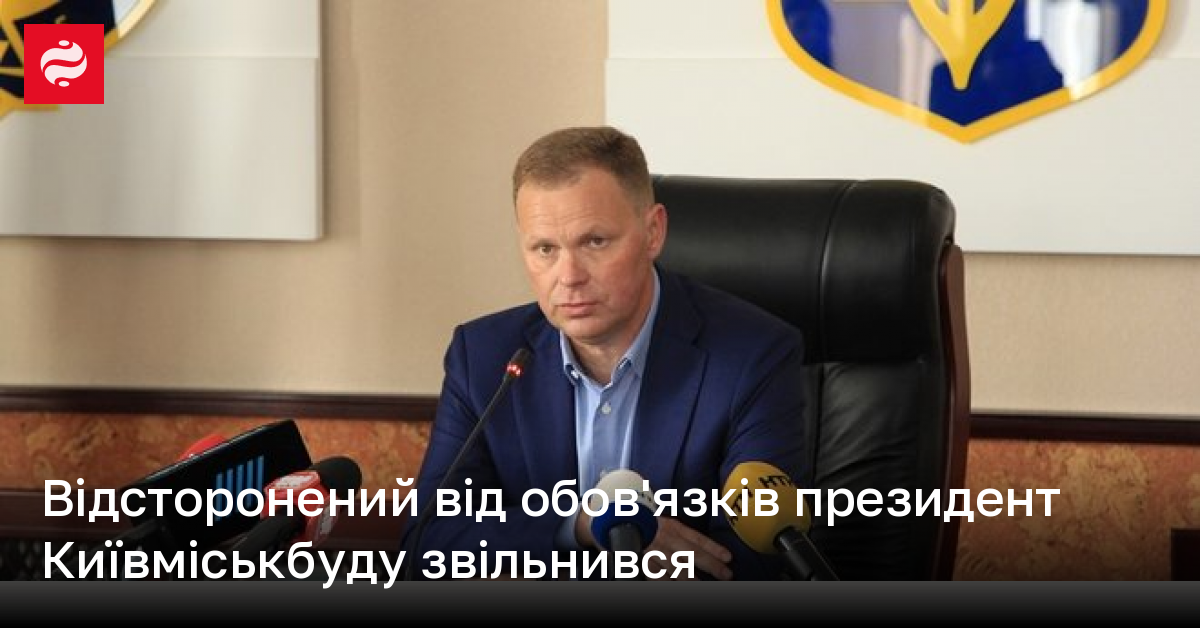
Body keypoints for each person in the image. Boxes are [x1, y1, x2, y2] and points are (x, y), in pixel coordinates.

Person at [402, 126, 806, 580]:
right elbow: (427, 543)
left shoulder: (753, 356)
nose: (568, 275)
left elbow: (757, 560)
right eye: (545, 249)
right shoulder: (484, 358)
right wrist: (578, 527)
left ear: (653, 232)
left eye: (594, 242)